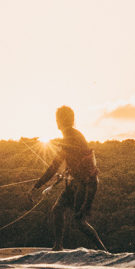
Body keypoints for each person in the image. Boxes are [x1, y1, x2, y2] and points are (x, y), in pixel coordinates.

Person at [32, 105, 108, 252]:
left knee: (79, 221)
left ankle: (104, 252)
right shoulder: (69, 136)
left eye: (57, 119)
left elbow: (54, 167)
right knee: (58, 209)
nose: (56, 122)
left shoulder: (72, 138)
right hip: (76, 183)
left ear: (64, 120)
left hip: (86, 186)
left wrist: (37, 186)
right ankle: (58, 246)